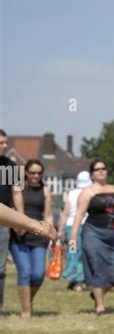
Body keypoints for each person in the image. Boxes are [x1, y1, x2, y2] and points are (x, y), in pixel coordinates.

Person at [69, 159, 114, 315]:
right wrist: (73, 237)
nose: (101, 171)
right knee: (99, 268)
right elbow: (79, 215)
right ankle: (100, 306)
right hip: (94, 234)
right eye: (97, 169)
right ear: (92, 174)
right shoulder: (87, 192)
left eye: (104, 168)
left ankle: (97, 293)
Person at [9, 160, 54, 317]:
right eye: (32, 173)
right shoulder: (18, 187)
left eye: (39, 173)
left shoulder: (45, 190)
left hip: (39, 235)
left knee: (38, 274)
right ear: (26, 173)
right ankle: (26, 310)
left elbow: (48, 214)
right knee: (25, 271)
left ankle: (28, 301)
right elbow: (18, 210)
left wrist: (51, 232)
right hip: (20, 234)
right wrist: (20, 226)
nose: (36, 176)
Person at [58, 170, 92, 291]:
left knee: (72, 252)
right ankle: (79, 280)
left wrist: (60, 230)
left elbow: (65, 213)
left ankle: (72, 278)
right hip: (85, 227)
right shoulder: (90, 193)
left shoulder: (71, 194)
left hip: (70, 228)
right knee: (82, 254)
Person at [0, 128, 23, 311]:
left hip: (3, 222)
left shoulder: (9, 165)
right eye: (1, 143)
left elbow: (16, 192)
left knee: (0, 266)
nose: (5, 146)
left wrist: (21, 220)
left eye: (5, 142)